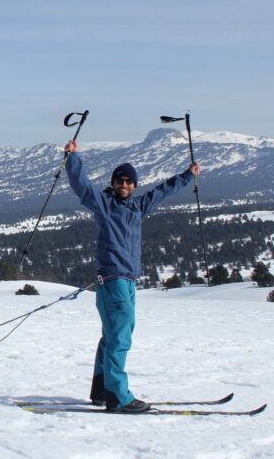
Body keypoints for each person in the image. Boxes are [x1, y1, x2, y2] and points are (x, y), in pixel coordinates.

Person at [63, 138, 200, 413]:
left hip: (123, 283)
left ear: (134, 185)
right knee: (120, 339)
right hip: (114, 281)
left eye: (128, 182)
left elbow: (162, 191)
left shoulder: (138, 207)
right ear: (113, 184)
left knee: (110, 337)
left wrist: (187, 176)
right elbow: (82, 186)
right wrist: (72, 158)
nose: (124, 185)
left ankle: (102, 391)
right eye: (119, 181)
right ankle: (118, 397)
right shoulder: (104, 205)